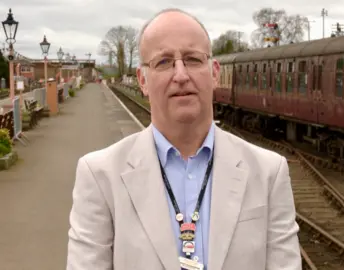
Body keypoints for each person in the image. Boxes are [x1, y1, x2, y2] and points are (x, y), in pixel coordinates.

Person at [66, 8, 301, 270]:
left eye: (192, 59)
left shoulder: (269, 172)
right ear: (143, 80)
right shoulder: (100, 176)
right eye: (164, 62)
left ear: (214, 73)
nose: (180, 75)